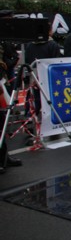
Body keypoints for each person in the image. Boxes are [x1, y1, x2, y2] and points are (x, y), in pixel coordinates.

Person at [0, 10, 22, 174]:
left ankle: (4, 157)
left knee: (3, 120)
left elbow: (12, 56)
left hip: (3, 81)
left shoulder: (5, 40)